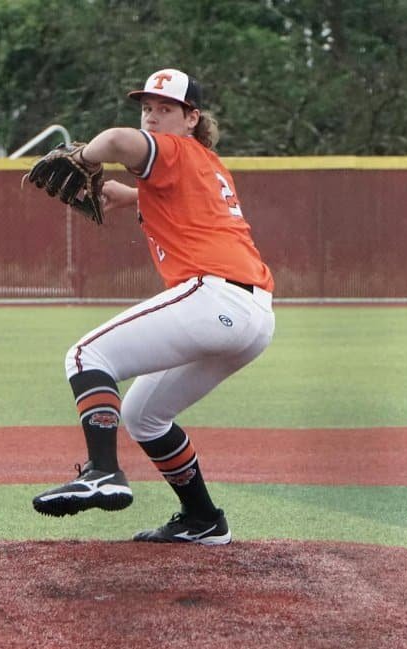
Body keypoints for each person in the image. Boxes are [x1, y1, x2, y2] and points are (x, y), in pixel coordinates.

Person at [32, 68, 275, 546]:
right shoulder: (206, 164)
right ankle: (204, 519)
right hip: (254, 318)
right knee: (144, 414)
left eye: (166, 109)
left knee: (86, 357)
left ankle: (102, 471)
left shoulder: (172, 149)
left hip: (213, 297)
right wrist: (129, 197)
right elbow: (178, 201)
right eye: (147, 108)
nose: (152, 117)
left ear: (191, 119)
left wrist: (81, 155)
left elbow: (121, 142)